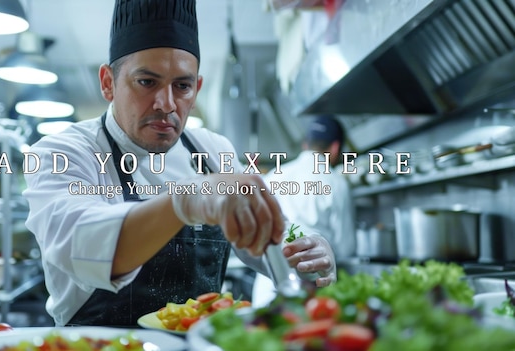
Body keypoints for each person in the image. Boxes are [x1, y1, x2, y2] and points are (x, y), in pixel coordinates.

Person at [22, 0, 336, 327]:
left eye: (182, 86)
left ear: (196, 88)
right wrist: (186, 201)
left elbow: (269, 235)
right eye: (147, 82)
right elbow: (81, 245)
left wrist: (307, 251)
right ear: (108, 83)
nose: (167, 104)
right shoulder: (62, 153)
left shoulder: (214, 151)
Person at [252, 115, 354, 307]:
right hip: (312, 290)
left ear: (306, 145)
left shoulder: (274, 176)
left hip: (268, 284)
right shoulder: (336, 182)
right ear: (334, 148)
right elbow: (344, 247)